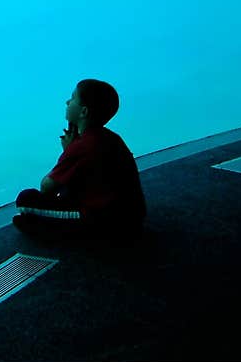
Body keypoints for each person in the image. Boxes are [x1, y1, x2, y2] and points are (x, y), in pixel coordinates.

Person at [13, 79, 146, 244]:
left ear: (83, 112)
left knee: (26, 201)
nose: (67, 102)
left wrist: (68, 150)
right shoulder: (111, 138)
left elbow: (46, 187)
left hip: (106, 221)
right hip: (131, 215)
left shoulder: (83, 146)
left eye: (73, 98)